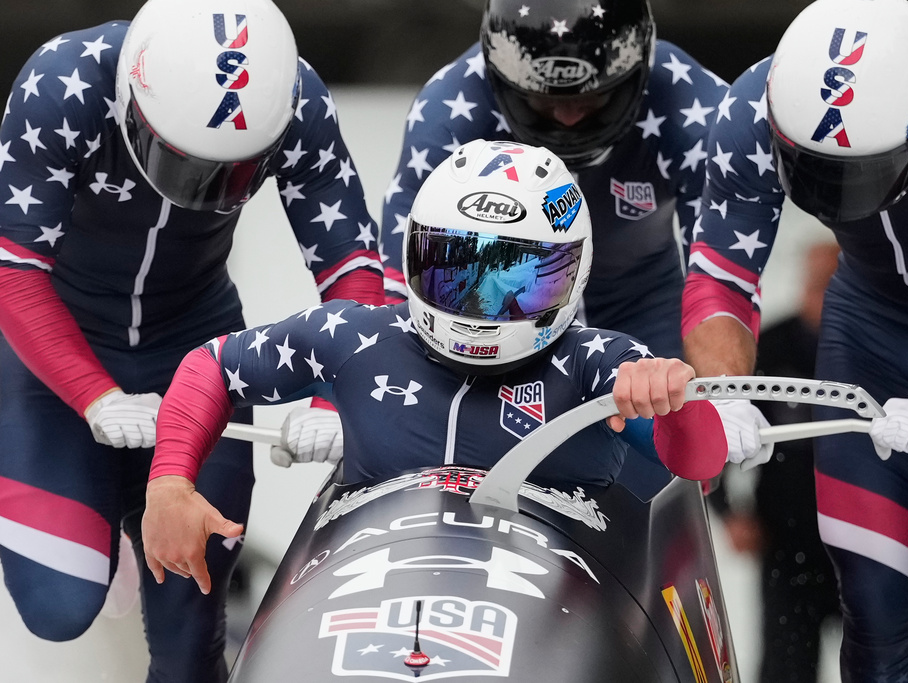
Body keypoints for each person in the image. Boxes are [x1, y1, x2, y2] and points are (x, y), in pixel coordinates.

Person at [140, 139, 756, 594]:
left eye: (515, 278)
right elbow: (212, 366)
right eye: (456, 268)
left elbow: (694, 462)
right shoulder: (356, 336)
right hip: (371, 596)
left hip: (552, 604)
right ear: (414, 255)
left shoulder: (598, 362)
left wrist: (673, 400)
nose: (481, 302)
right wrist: (169, 483)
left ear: (572, 275)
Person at [0, 0, 383, 679]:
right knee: (57, 608)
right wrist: (93, 395)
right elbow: (14, 270)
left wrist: (335, 397)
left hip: (198, 348)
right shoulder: (63, 83)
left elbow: (352, 265)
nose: (197, 192)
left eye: (227, 174)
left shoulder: (299, 100)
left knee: (187, 639)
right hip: (57, 351)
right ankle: (102, 512)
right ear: (130, 103)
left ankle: (126, 510)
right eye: (181, 163)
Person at [682, 0, 908, 679]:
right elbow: (718, 278)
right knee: (872, 606)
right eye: (816, 171)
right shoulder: (752, 107)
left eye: (864, 172)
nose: (842, 196)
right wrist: (727, 394)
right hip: (869, 335)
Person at [375, 0, 728, 498]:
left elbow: (721, 268)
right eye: (542, 101)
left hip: (639, 303)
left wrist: (720, 395)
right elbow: (408, 270)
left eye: (590, 99)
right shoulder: (449, 110)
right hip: (505, 304)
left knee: (658, 479)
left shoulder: (695, 106)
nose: (565, 117)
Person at [707, 241, 841, 683]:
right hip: (787, 542)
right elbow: (719, 433)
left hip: (862, 544)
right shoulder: (772, 350)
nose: (822, 293)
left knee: (886, 664)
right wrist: (729, 513)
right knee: (785, 669)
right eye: (818, 283)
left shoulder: (876, 358)